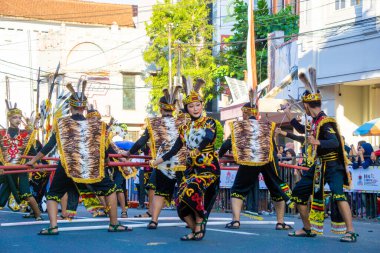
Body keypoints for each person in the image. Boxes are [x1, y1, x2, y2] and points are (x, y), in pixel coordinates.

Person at [26, 81, 133, 235]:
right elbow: (105, 147)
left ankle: (53, 227)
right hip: (92, 166)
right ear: (84, 107)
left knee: (53, 195)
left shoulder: (62, 123)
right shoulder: (97, 125)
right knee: (110, 190)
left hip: (69, 165)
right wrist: (108, 161)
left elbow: (49, 146)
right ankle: (114, 224)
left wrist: (32, 161)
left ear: (71, 106)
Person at [282, 67, 357, 242]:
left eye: (304, 107)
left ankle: (351, 231)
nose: (305, 110)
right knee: (299, 194)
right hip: (319, 167)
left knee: (338, 195)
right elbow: (303, 131)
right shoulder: (315, 122)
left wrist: (318, 142)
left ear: (307, 106)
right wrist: (289, 116)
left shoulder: (326, 122)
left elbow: (335, 143)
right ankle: (307, 228)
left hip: (333, 165)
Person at [150, 78, 219, 241]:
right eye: (191, 106)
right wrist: (157, 161)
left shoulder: (210, 122)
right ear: (187, 109)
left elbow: (208, 137)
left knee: (192, 189)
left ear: (202, 105)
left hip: (209, 169)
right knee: (180, 200)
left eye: (197, 105)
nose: (195, 108)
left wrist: (197, 150)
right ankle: (196, 230)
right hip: (190, 169)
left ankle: (200, 223)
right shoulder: (184, 127)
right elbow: (174, 149)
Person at [218, 88, 294, 231]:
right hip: (269, 159)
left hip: (250, 159)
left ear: (245, 113)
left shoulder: (241, 126)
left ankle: (236, 220)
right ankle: (280, 222)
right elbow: (272, 145)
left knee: (238, 189)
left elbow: (228, 143)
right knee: (276, 188)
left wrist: (219, 154)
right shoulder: (266, 125)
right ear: (257, 114)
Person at [0, 101, 42, 220]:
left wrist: (35, 162)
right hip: (5, 168)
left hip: (20, 168)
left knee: (26, 194)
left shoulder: (25, 134)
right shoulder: (1, 134)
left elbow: (32, 151)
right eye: (14, 117)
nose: (17, 120)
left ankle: (38, 214)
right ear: (9, 119)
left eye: (19, 117)